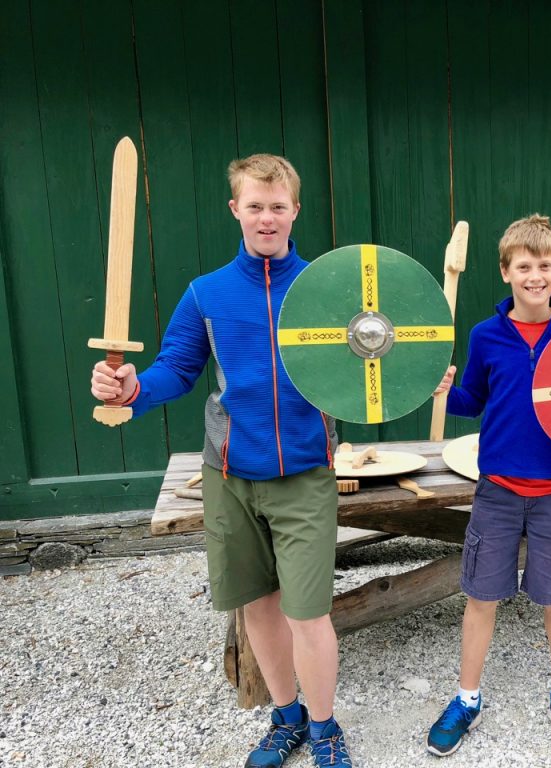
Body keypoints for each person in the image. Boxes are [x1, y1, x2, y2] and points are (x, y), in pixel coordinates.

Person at [90, 155, 352, 768]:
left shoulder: (324, 289)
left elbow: (374, 362)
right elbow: (177, 366)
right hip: (229, 475)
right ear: (236, 209)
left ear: (295, 210)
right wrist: (130, 389)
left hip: (305, 475)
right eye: (255, 206)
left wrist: (422, 373)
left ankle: (325, 727)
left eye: (278, 206)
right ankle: (286, 715)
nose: (267, 217)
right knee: (257, 603)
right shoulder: (206, 293)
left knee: (308, 612)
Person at [425, 214, 551, 757]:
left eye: (544, 266)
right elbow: (472, 402)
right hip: (497, 492)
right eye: (523, 266)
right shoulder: (486, 336)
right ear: (505, 271)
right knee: (481, 598)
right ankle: (467, 698)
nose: (535, 276)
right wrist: (442, 388)